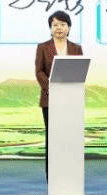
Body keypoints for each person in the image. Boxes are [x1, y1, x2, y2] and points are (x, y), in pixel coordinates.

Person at [34, 10, 83, 177]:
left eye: (62, 24)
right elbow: (39, 71)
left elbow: (80, 70)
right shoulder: (43, 47)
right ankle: (53, 177)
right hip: (50, 100)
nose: (59, 28)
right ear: (50, 28)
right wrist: (52, 87)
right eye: (55, 25)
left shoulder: (76, 48)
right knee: (53, 138)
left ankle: (69, 175)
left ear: (69, 28)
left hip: (71, 100)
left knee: (70, 138)